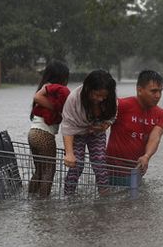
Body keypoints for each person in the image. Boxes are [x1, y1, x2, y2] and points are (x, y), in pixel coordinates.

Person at [61, 70, 117, 194]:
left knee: (100, 163)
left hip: (96, 132)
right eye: (96, 95)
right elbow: (67, 126)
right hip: (76, 132)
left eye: (104, 96)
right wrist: (69, 154)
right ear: (87, 88)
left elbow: (112, 115)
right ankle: (67, 196)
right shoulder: (74, 99)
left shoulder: (110, 99)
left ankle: (105, 197)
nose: (100, 99)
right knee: (76, 165)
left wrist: (105, 125)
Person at [106, 70, 163, 179]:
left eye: (160, 91)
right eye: (153, 91)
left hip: (135, 173)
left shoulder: (160, 114)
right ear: (139, 90)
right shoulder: (121, 105)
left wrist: (146, 156)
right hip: (111, 171)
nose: (158, 95)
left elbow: (155, 137)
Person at [27, 60, 70, 197]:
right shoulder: (54, 89)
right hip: (44, 136)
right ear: (61, 77)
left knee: (39, 170)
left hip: (33, 133)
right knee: (48, 171)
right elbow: (59, 107)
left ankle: (31, 197)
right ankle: (43, 203)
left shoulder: (44, 88)